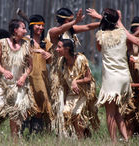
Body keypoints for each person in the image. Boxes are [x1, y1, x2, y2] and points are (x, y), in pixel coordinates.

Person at [47, 7, 100, 136]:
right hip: (59, 73)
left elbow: (88, 27)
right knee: (61, 103)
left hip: (73, 72)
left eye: (73, 19)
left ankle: (79, 133)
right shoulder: (53, 31)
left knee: (76, 104)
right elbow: (60, 30)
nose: (74, 22)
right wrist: (75, 21)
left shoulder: (71, 29)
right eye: (70, 20)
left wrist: (104, 22)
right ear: (64, 20)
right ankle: (63, 134)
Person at [0, 19, 38, 137]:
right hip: (2, 85)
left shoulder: (27, 44)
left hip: (18, 85)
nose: (25, 30)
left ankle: (14, 140)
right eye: (23, 28)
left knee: (16, 113)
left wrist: (23, 77)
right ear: (15, 30)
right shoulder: (2, 43)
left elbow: (30, 66)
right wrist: (4, 71)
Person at [90, 8, 131, 142]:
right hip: (124, 76)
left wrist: (99, 18)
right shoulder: (123, 33)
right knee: (117, 111)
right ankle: (126, 139)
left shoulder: (100, 35)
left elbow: (99, 48)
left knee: (110, 113)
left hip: (111, 78)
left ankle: (113, 142)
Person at [56, 39, 99, 139]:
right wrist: (64, 99)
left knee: (76, 114)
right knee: (67, 113)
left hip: (83, 93)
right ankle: (83, 134)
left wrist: (76, 81)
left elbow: (88, 78)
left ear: (67, 49)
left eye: (59, 47)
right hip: (71, 94)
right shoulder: (61, 62)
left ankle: (81, 138)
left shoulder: (80, 59)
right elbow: (64, 84)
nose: (57, 49)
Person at [24, 14, 53, 133]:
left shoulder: (45, 42)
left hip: (41, 78)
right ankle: (22, 129)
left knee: (41, 102)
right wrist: (37, 50)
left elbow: (50, 61)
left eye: (42, 26)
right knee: (26, 103)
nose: (41, 28)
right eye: (38, 25)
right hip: (27, 77)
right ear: (31, 26)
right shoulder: (25, 40)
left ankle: (36, 131)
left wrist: (49, 55)